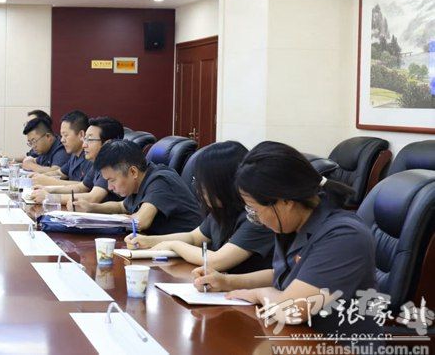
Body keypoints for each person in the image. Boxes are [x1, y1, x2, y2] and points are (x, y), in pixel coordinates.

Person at [192, 141, 377, 335]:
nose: (256, 219)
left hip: (336, 344)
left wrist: (259, 294)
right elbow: (284, 275)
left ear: (285, 202)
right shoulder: (294, 225)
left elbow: (292, 309)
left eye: (255, 211)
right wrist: (226, 282)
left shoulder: (344, 236)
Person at [124, 141, 273, 273]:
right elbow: (194, 237)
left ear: (223, 183)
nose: (199, 189)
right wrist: (148, 241)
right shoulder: (222, 209)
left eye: (203, 182)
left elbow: (216, 261)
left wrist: (174, 245)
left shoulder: (256, 217)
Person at [89, 139, 203, 235]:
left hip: (188, 250)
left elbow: (140, 222)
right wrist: (90, 207)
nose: (109, 187)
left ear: (133, 172)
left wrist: (112, 219)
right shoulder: (138, 182)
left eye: (112, 180)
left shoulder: (161, 180)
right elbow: (121, 206)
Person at [32, 116, 123, 206]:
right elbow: (81, 187)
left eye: (90, 140)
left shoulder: (113, 164)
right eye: (85, 139)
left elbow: (93, 197)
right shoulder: (98, 162)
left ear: (107, 144)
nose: (84, 145)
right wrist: (48, 190)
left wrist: (50, 198)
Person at [31, 110, 92, 186]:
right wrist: (39, 176)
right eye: (62, 136)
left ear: (81, 134)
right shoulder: (74, 155)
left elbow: (85, 186)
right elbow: (59, 173)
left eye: (66, 135)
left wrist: (50, 181)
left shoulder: (91, 157)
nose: (62, 140)